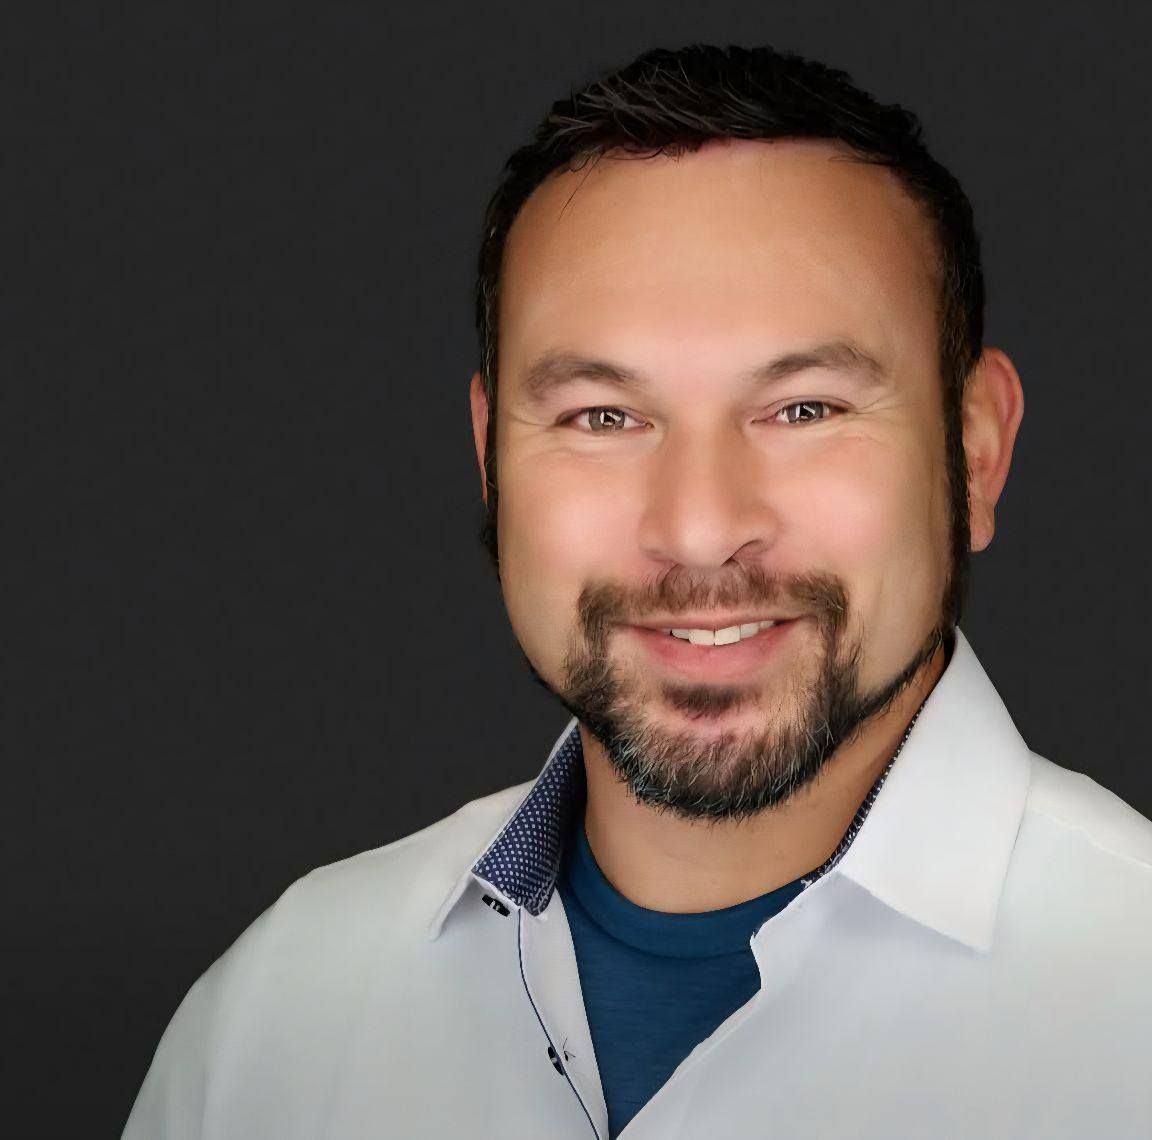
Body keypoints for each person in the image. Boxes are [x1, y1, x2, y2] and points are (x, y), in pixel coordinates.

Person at [124, 42, 1152, 1140]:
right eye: (603, 418)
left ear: (976, 450)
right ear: (490, 459)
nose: (700, 527)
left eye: (804, 408)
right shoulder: (276, 1020)